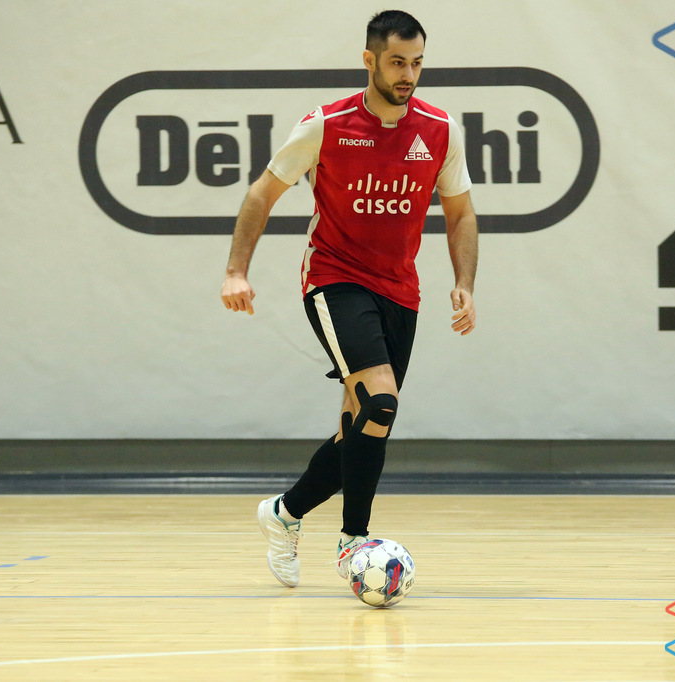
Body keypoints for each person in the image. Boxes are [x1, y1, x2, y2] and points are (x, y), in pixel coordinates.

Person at [221, 9, 478, 588]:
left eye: (417, 63)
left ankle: (284, 513)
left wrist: (464, 283)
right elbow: (261, 194)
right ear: (369, 61)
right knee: (380, 402)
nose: (408, 74)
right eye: (397, 62)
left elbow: (460, 212)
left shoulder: (440, 129)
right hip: (334, 278)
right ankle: (354, 542)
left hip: (400, 290)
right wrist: (236, 271)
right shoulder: (326, 125)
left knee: (362, 427)